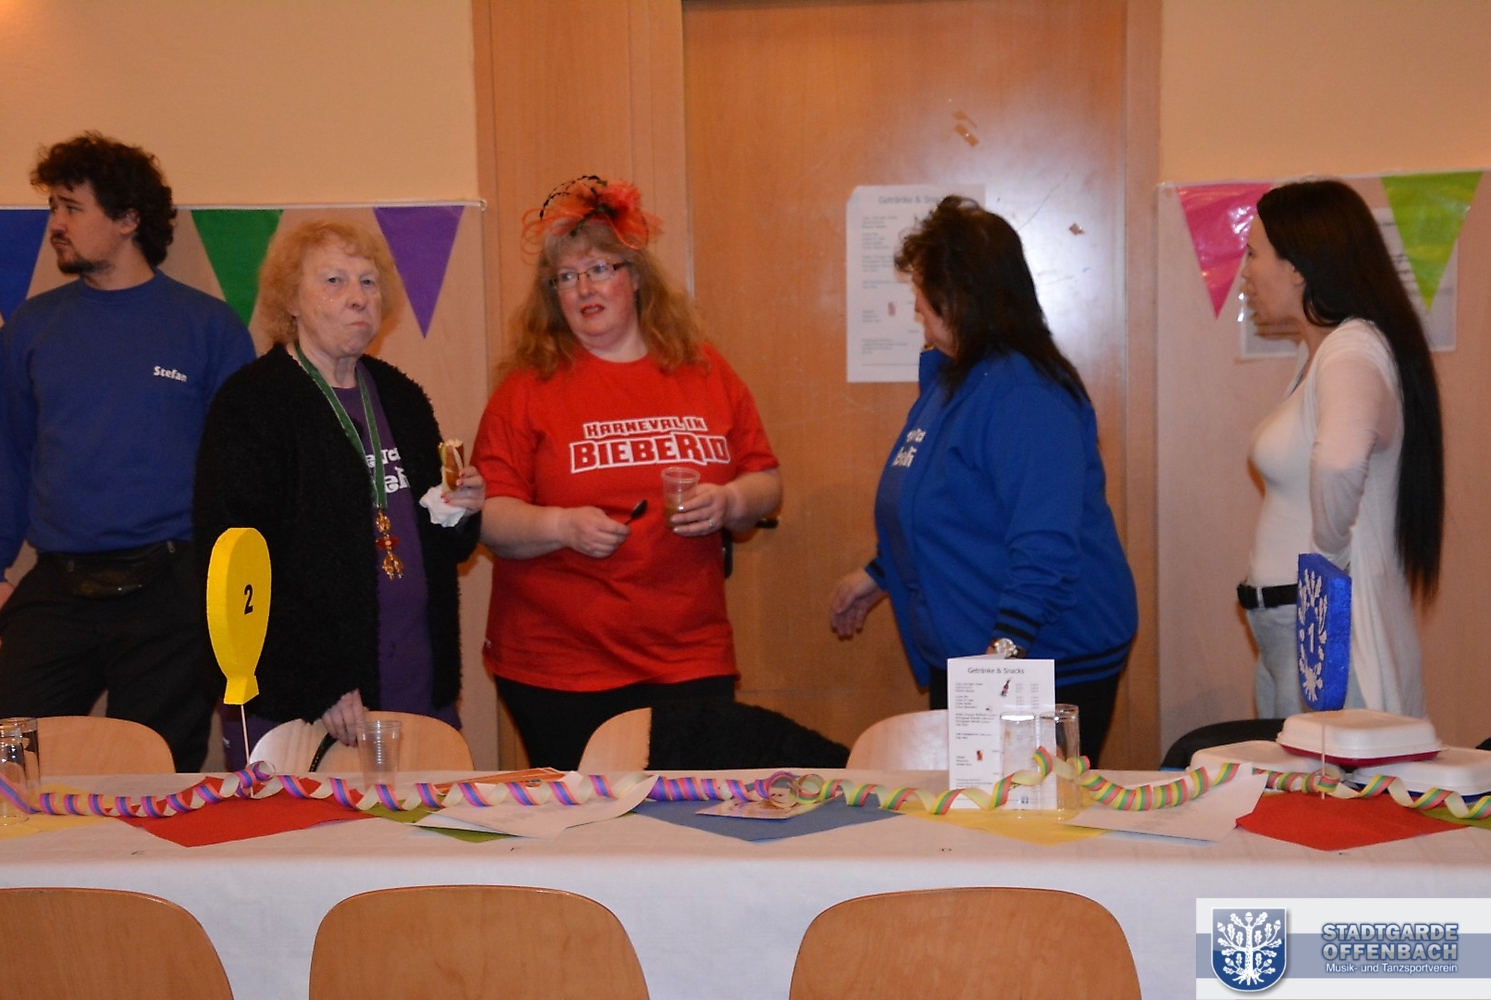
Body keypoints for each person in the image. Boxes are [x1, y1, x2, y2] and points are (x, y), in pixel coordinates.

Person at [472, 176, 781, 770]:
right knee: (587, 822)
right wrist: (562, 526)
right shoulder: (528, 388)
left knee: (687, 817)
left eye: (600, 269)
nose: (584, 288)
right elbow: (489, 517)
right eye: (566, 277)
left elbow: (766, 480)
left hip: (689, 656)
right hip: (561, 665)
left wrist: (730, 502)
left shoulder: (702, 369)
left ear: (636, 276)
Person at [830, 196, 1136, 763]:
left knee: (1018, 817)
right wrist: (881, 572)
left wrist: (1002, 657)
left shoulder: (1025, 396)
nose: (917, 310)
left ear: (960, 300)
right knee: (976, 813)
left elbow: (1044, 542)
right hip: (981, 656)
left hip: (1040, 660)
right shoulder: (959, 381)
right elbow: (941, 501)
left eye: (924, 297)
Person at [0, 132, 255, 771]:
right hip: (57, 585)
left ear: (128, 220)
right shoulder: (30, 327)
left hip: (171, 589)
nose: (56, 225)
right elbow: (9, 456)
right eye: (53, 208)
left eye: (72, 208)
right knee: (9, 755)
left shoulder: (208, 327)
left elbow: (241, 475)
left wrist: (231, 594)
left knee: (155, 775)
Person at [194, 219, 484, 768]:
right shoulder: (252, 404)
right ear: (291, 301)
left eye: (368, 282)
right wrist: (316, 680)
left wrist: (461, 511)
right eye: (334, 280)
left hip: (415, 679)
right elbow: (231, 568)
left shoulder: (400, 396)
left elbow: (443, 543)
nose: (357, 297)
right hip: (305, 701)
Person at [1238, 179, 1443, 718]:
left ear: (1298, 267)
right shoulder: (1325, 353)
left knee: (1325, 772)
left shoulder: (1351, 349)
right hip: (1297, 623)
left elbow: (1340, 458)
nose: (1245, 273)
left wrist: (1323, 566)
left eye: (1254, 254)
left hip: (1321, 621)